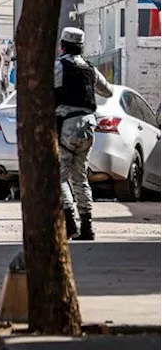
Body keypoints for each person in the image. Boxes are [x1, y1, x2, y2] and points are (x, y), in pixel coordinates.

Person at [55, 26, 112, 241]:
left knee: (59, 177)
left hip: (66, 127)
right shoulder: (90, 69)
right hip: (88, 126)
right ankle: (87, 226)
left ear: (62, 46)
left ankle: (70, 223)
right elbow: (107, 91)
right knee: (80, 177)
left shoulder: (60, 67)